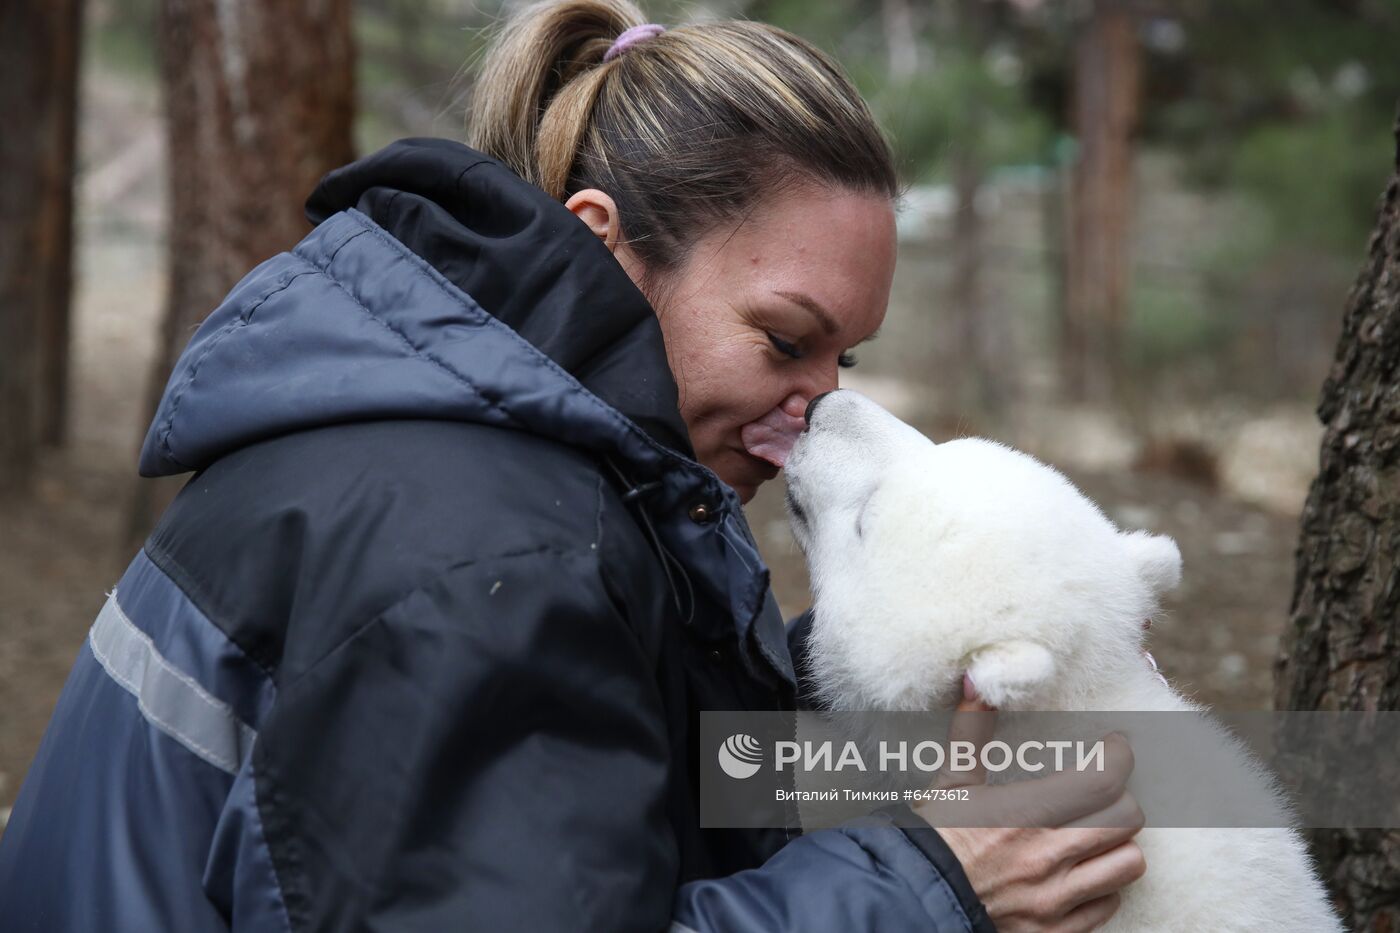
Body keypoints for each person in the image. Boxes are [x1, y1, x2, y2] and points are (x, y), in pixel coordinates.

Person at [0, 1, 1145, 930]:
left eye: (840, 358)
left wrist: (894, 679)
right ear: (603, 240)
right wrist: (931, 890)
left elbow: (601, 771)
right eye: (782, 340)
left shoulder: (501, 456)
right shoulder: (475, 550)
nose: (819, 410)